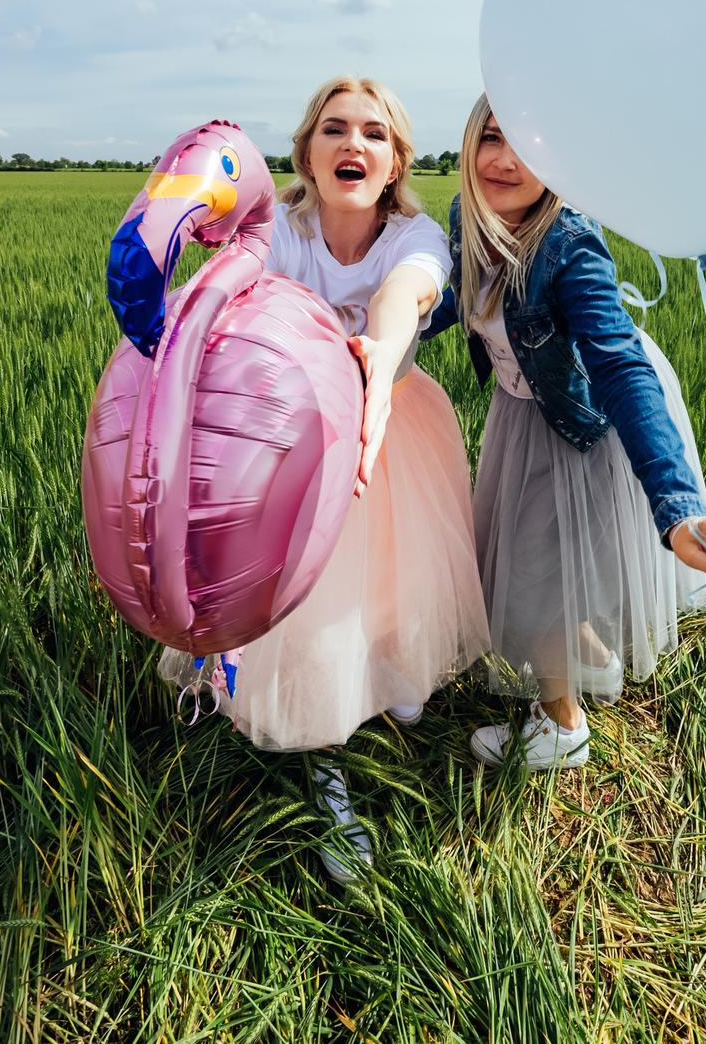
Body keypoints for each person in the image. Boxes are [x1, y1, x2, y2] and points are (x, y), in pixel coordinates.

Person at [159, 77, 489, 881]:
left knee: (391, 579)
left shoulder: (416, 236)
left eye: (374, 133)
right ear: (306, 150)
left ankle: (388, 676)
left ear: (396, 159)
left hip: (394, 426)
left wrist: (376, 364)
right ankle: (323, 756)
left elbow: (402, 298)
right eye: (334, 129)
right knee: (306, 611)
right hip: (292, 444)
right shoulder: (281, 235)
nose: (354, 144)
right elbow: (231, 290)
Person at [423, 95, 706, 772]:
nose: (503, 161)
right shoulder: (467, 218)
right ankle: (575, 668)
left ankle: (562, 727)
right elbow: (450, 295)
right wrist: (375, 332)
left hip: (587, 423)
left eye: (530, 145)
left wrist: (677, 510)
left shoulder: (568, 242)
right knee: (546, 569)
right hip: (524, 408)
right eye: (492, 137)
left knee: (531, 577)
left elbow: (619, 365)